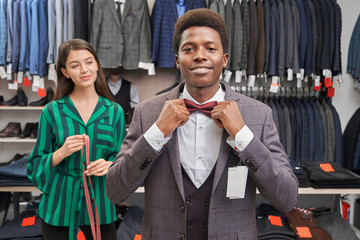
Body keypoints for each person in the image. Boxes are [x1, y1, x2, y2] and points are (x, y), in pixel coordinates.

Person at [106, 8, 298, 240]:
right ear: (177, 60)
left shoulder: (258, 113)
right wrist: (157, 133)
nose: (200, 56)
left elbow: (286, 198)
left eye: (210, 48)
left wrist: (243, 136)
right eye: (189, 49)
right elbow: (115, 191)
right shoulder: (147, 112)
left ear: (224, 59)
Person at [27, 39, 126, 240]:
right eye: (75, 65)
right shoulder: (51, 111)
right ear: (65, 72)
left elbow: (123, 156)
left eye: (89, 62)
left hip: (100, 205)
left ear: (97, 64)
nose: (84, 69)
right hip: (58, 207)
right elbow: (34, 165)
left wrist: (110, 164)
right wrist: (60, 153)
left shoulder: (114, 112)